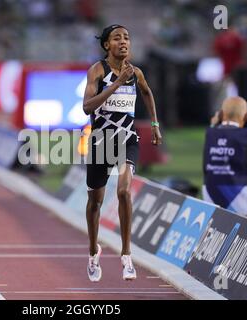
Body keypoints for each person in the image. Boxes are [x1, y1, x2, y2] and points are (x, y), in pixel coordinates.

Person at [82, 24, 162, 282]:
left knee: (125, 191)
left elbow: (148, 94)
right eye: (117, 38)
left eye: (127, 37)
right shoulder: (98, 70)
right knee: (95, 201)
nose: (123, 42)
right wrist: (116, 83)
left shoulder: (136, 72)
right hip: (101, 141)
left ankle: (127, 255)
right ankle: (94, 251)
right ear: (107, 45)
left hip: (128, 139)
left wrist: (155, 124)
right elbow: (87, 107)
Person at [203, 96, 247, 224]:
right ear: (246, 117)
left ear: (221, 114)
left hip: (212, 198)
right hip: (242, 201)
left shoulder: (210, 133)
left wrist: (213, 122)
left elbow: (214, 129)